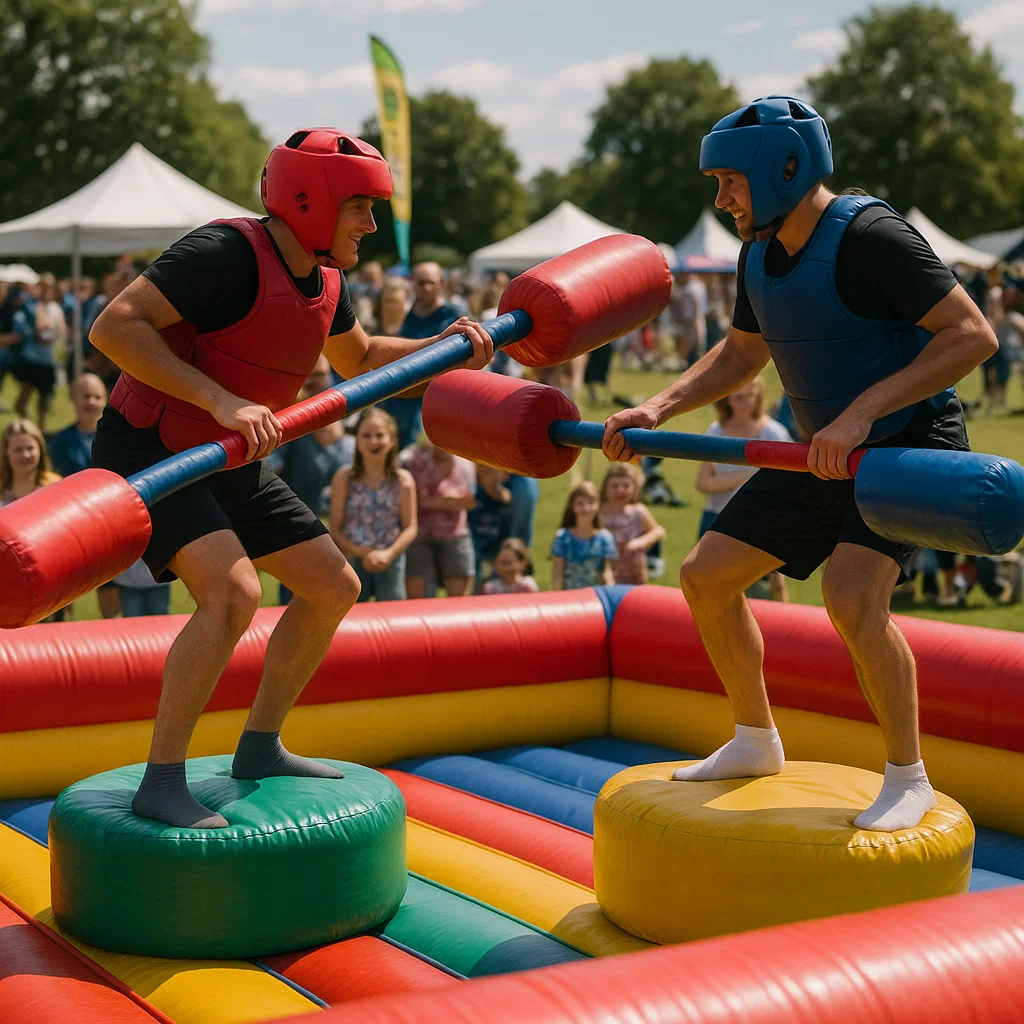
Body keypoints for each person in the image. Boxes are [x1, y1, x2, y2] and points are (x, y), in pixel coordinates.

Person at [602, 96, 998, 831]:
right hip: (820, 449)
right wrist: (657, 406)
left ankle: (908, 777)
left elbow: (971, 336)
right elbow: (742, 354)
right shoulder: (759, 252)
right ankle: (755, 738)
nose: (719, 199)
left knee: (851, 596)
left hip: (908, 444)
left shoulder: (875, 237)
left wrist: (863, 414)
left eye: (728, 181)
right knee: (704, 576)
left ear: (782, 168)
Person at [88, 128, 492, 829]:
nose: (372, 224)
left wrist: (446, 350)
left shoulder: (327, 277)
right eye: (361, 207)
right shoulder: (222, 251)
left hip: (230, 450)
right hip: (154, 447)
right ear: (311, 200)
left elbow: (360, 360)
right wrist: (218, 399)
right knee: (233, 593)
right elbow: (113, 328)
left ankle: (260, 746)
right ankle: (161, 780)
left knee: (333, 585)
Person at [694, 377, 791, 601]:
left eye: (749, 395)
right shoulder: (715, 431)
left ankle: (782, 627)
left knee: (774, 584)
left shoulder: (774, 433)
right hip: (717, 517)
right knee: (710, 583)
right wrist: (750, 474)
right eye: (738, 397)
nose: (744, 402)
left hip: (760, 519)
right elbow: (703, 483)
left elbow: (786, 482)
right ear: (727, 399)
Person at [47, 373, 122, 619]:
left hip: (112, 527)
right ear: (73, 399)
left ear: (106, 399)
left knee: (112, 595)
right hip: (71, 529)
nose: (91, 402)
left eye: (97, 396)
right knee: (63, 597)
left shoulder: (119, 438)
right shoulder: (60, 443)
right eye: (85, 396)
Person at [329, 408, 416, 602]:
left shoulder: (403, 480)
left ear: (392, 440)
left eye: (379, 435)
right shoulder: (344, 478)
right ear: (357, 442)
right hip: (352, 559)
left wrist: (388, 554)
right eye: (366, 436)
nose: (373, 441)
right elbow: (335, 528)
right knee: (352, 611)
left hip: (390, 559)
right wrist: (359, 551)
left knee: (393, 614)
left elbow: (410, 527)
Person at [380, 262, 463, 449]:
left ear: (441, 284)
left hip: (433, 399)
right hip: (396, 396)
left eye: (430, 283)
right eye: (420, 282)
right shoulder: (403, 312)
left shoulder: (453, 317)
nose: (425, 288)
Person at [401, 439, 477, 598]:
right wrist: (447, 502)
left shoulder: (466, 463)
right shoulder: (411, 460)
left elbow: (471, 500)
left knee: (459, 600)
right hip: (419, 536)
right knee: (419, 601)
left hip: (455, 534)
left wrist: (433, 502)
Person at [11, 273, 65, 431]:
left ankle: (40, 429)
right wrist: (34, 333)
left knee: (44, 399)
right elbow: (20, 327)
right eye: (43, 287)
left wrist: (52, 336)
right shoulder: (29, 306)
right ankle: (25, 425)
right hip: (30, 359)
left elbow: (60, 331)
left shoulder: (55, 308)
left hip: (47, 360)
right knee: (23, 398)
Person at [599, 463, 665, 585]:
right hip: (605, 574)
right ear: (605, 488)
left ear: (634, 488)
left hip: (635, 574)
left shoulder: (638, 511)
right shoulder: (599, 514)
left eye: (626, 485)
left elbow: (658, 531)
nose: (620, 490)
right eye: (614, 486)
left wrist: (641, 542)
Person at [551, 481, 617, 590]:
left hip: (595, 597)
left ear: (598, 505)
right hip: (570, 596)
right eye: (580, 503)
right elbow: (557, 574)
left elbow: (607, 571)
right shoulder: (563, 537)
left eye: (591, 503)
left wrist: (611, 590)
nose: (586, 508)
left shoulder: (605, 538)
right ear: (572, 506)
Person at [468, 464, 513, 590]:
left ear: (504, 476)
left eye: (494, 473)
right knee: (475, 573)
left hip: (496, 543)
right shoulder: (474, 494)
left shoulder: (505, 496)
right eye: (487, 473)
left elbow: (506, 498)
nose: (490, 478)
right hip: (475, 544)